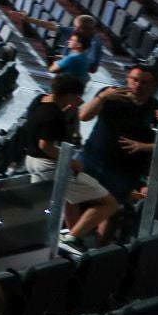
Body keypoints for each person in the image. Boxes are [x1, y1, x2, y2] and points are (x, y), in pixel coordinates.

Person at [24, 74, 122, 250]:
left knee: (70, 199)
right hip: (48, 165)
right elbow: (45, 145)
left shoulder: (39, 101)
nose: (80, 100)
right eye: (77, 95)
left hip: (31, 161)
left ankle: (72, 235)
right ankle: (71, 238)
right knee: (109, 203)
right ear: (68, 94)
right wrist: (71, 162)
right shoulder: (53, 114)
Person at [79, 61, 158, 207]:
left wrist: (144, 146)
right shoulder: (111, 94)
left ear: (153, 86)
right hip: (92, 158)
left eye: (144, 83)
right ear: (128, 78)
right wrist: (102, 97)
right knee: (73, 199)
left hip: (124, 171)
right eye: (134, 79)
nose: (137, 85)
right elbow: (84, 116)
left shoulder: (157, 109)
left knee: (107, 208)